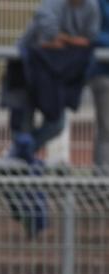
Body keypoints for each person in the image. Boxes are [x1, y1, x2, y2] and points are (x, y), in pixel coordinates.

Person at [6, 0, 100, 162]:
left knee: (56, 124)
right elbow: (48, 37)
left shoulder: (91, 7)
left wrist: (64, 40)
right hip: (28, 71)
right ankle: (19, 158)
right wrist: (73, 42)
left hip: (56, 77)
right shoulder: (53, 4)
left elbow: (89, 40)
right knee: (23, 126)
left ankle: (19, 154)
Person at [93, 0, 109, 170]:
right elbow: (92, 33)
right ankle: (102, 183)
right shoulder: (98, 4)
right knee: (106, 128)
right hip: (104, 72)